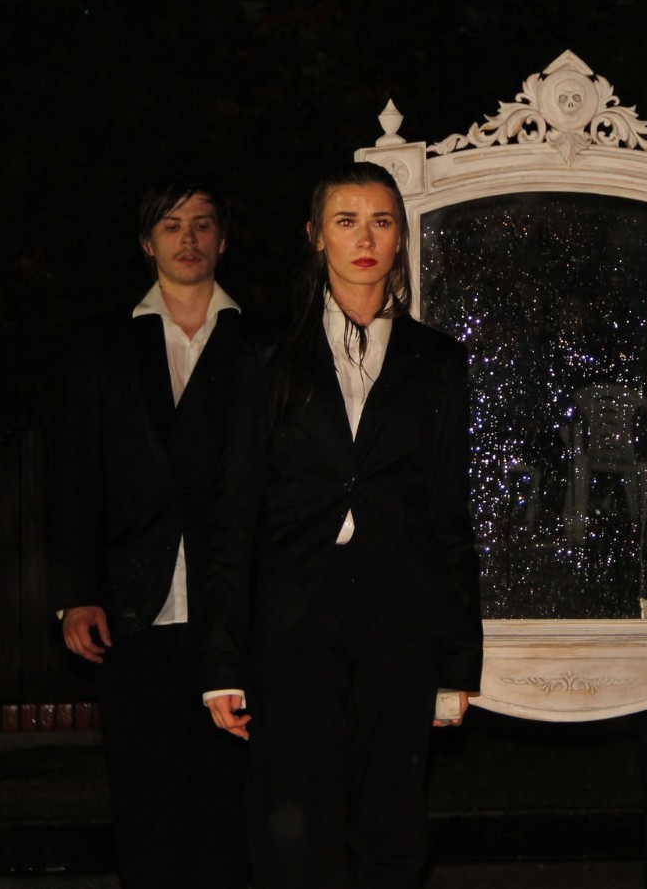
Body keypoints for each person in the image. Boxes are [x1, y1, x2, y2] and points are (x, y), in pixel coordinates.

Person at [201, 161, 482, 888]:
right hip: (294, 618)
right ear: (316, 236)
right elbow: (233, 512)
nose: (365, 239)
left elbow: (449, 514)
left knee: (391, 826)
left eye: (381, 222)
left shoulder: (438, 361)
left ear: (401, 238)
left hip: (400, 619)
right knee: (295, 827)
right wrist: (222, 662)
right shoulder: (263, 351)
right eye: (346, 221)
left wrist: (458, 664)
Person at [49, 181, 256, 888]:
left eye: (202, 224)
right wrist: (77, 592)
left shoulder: (262, 341)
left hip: (236, 607)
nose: (188, 238)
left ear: (223, 239)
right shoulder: (102, 343)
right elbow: (76, 472)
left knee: (230, 801)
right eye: (171, 225)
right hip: (133, 605)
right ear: (148, 242)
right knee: (145, 800)